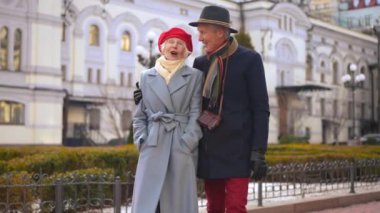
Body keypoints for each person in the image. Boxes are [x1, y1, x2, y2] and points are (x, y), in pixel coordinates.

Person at [188, 5, 270, 213]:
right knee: (213, 207)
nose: (200, 38)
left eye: (203, 32)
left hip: (239, 150)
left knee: (235, 206)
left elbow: (261, 108)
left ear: (221, 32)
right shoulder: (199, 63)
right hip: (209, 148)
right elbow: (191, 104)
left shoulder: (249, 60)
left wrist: (258, 151)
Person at [131, 27, 203, 213]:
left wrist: (188, 142)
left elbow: (196, 112)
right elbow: (139, 115)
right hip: (153, 143)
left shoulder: (195, 76)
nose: (175, 46)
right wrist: (141, 139)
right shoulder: (146, 76)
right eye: (171, 42)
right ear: (162, 48)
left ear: (186, 52)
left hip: (180, 142)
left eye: (180, 44)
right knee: (150, 203)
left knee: (176, 203)